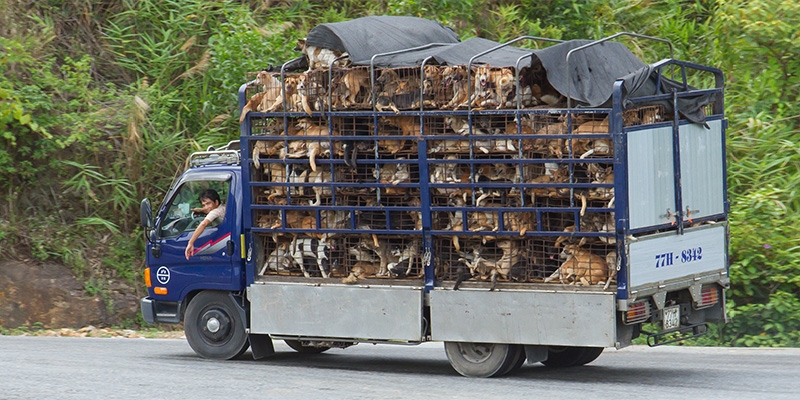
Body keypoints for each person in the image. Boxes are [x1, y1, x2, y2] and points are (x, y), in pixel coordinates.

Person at [185, 189, 225, 260]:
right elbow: (208, 209)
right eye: (203, 205)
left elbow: (203, 224)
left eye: (208, 203)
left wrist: (190, 243)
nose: (206, 207)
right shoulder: (223, 207)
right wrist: (200, 210)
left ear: (216, 202)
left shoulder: (215, 212)